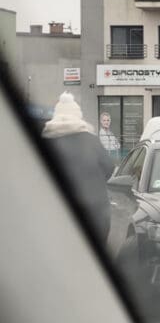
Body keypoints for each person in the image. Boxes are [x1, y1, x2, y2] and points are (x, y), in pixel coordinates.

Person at [43, 92, 115, 244]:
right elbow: (109, 167)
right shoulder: (91, 141)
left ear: (56, 115)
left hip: (55, 212)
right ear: (78, 116)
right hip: (95, 210)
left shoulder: (46, 142)